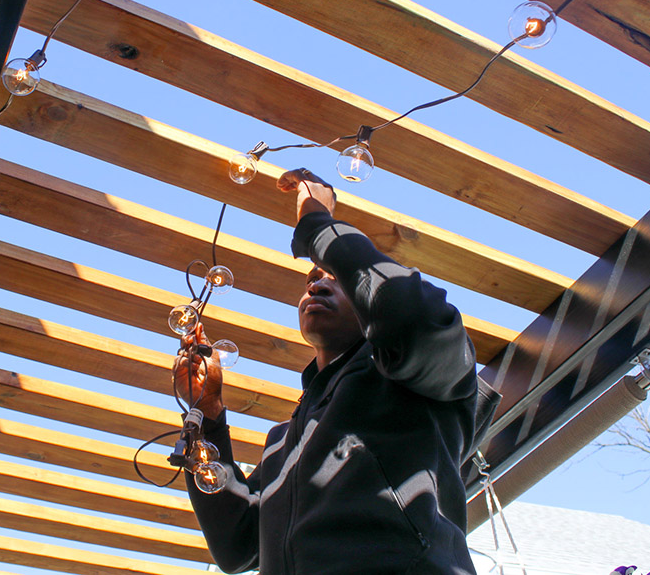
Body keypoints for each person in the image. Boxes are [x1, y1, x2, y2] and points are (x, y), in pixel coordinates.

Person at [176, 168, 495, 574]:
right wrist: (207, 414)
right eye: (311, 280)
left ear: (370, 301)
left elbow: (417, 317)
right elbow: (237, 544)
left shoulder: (417, 380)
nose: (317, 285)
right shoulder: (283, 443)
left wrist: (317, 225)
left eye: (336, 277)